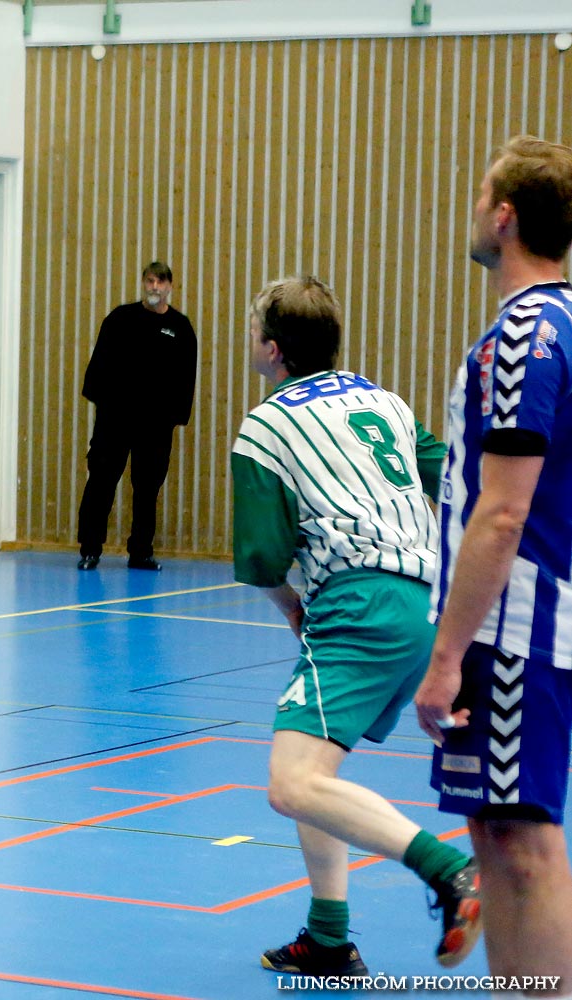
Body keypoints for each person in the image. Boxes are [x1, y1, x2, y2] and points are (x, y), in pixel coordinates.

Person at [232, 275, 482, 977]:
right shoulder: (386, 402)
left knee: (289, 784)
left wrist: (293, 609)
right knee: (316, 769)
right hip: (427, 602)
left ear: (272, 349)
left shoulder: (266, 424)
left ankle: (449, 872)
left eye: (252, 328)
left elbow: (258, 560)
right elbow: (457, 482)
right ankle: (328, 938)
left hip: (357, 602)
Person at [414, 135, 572, 993]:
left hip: (514, 627)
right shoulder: (560, 324)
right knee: (494, 830)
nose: (473, 209)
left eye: (480, 195)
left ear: (503, 214)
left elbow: (503, 509)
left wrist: (444, 656)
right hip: (519, 623)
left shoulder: (524, 335)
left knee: (522, 842)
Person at [76, 261, 196, 571]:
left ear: (170, 286)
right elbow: (99, 363)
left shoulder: (180, 328)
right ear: (143, 283)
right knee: (101, 481)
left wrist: (175, 417)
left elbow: (185, 376)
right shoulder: (120, 318)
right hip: (114, 420)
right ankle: (90, 548)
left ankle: (141, 551)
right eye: (150, 281)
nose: (155, 287)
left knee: (147, 488)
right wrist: (104, 404)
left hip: (155, 425)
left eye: (161, 282)